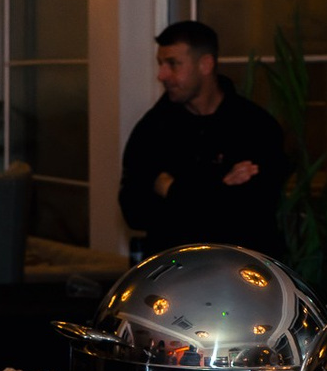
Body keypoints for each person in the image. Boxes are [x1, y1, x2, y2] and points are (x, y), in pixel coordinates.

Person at [119, 20, 291, 258]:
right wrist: (220, 187)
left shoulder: (255, 126)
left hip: (240, 268)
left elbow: (248, 213)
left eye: (173, 64)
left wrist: (170, 188)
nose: (161, 75)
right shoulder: (153, 129)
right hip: (174, 269)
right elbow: (134, 212)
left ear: (205, 64)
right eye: (160, 64)